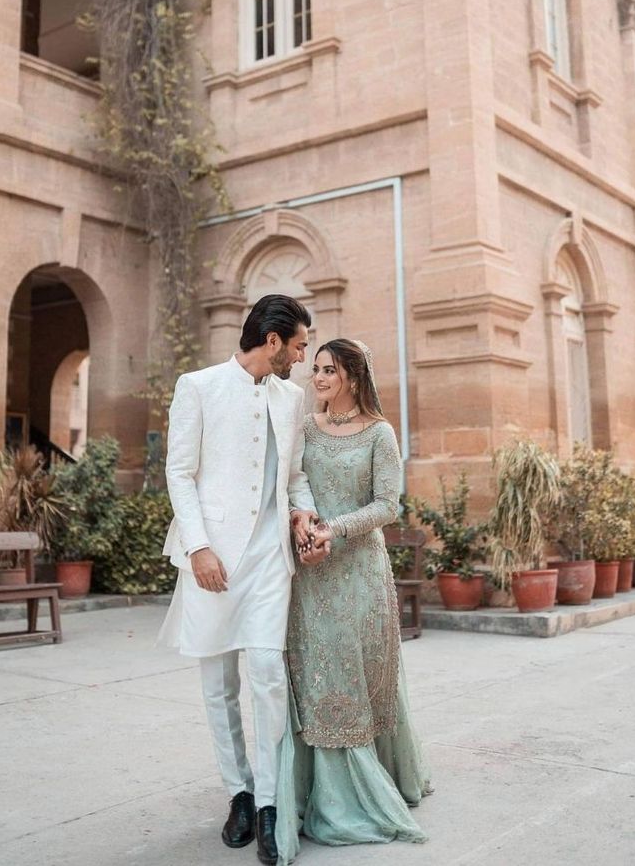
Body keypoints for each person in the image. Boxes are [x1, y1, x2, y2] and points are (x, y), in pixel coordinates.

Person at [157, 294, 330, 866]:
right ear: (274, 340)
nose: (304, 358)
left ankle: (269, 803)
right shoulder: (198, 386)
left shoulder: (291, 396)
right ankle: (237, 793)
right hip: (210, 561)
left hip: (267, 563)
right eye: (301, 345)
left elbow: (296, 474)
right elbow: (179, 472)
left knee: (265, 674)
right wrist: (199, 546)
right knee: (218, 686)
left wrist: (302, 511)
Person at [276, 338, 433, 864]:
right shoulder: (304, 428)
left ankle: (365, 786)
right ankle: (311, 788)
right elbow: (294, 488)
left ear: (351, 376)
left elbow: (388, 505)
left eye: (328, 370)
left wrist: (333, 530)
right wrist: (304, 526)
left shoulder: (379, 432)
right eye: (315, 368)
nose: (317, 377)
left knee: (357, 672)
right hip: (311, 571)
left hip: (359, 571)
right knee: (316, 671)